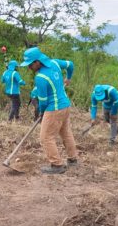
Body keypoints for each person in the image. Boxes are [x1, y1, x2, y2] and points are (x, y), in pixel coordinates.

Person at [21, 46, 78, 174]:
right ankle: (73, 160)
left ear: (37, 62)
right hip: (66, 105)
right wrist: (68, 77)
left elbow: (43, 101)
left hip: (54, 109)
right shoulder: (55, 62)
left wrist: (41, 112)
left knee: (46, 137)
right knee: (66, 132)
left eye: (30, 64)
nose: (29, 68)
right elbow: (70, 64)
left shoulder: (41, 77)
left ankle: (57, 165)